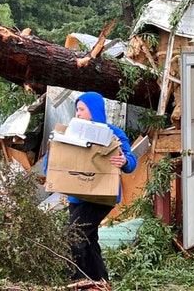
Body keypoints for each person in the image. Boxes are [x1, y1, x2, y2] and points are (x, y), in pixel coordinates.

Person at [45, 92, 137, 283]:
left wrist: (124, 160)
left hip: (102, 197)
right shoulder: (71, 132)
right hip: (77, 196)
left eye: (81, 109)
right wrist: (54, 171)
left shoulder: (113, 134)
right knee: (89, 240)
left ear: (94, 110)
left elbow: (131, 162)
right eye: (76, 110)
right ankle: (100, 281)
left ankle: (80, 281)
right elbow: (53, 156)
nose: (77, 114)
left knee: (72, 237)